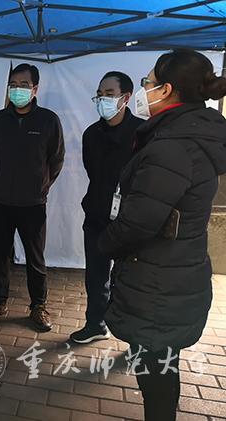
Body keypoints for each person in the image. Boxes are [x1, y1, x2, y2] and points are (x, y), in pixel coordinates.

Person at [98, 49, 226, 421]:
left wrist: (104, 244)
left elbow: (139, 222)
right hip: (173, 273)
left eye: (148, 82)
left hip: (158, 281)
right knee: (160, 368)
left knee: (156, 375)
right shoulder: (190, 132)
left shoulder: (173, 145)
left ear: (166, 89)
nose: (145, 89)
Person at [0, 63, 65, 332]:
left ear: (35, 89)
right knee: (0, 255)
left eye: (24, 85)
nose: (17, 90)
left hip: (33, 203)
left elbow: (56, 158)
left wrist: (41, 186)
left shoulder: (48, 120)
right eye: (13, 85)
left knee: (35, 257)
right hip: (1, 200)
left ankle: (38, 305)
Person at [70, 72, 144, 344]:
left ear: (126, 97)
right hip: (97, 213)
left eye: (109, 94)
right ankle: (95, 324)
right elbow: (93, 171)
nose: (103, 99)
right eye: (100, 94)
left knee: (128, 278)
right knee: (96, 274)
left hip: (129, 219)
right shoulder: (91, 134)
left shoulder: (142, 133)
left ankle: (133, 333)